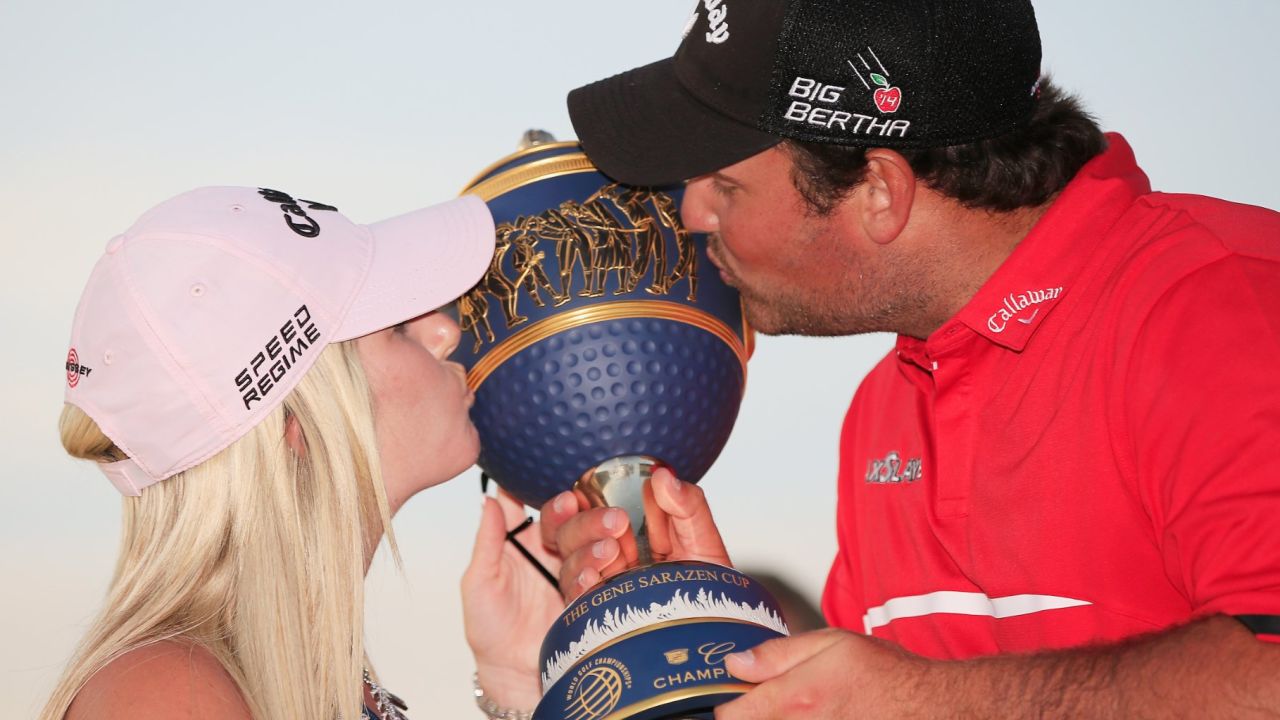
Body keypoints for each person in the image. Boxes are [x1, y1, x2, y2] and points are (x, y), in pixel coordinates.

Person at [535, 0, 1280, 716]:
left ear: (881, 193)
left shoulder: (1223, 301)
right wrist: (722, 637)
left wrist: (926, 704)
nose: (693, 214)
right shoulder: (887, 405)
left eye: (724, 184)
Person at [40, 185, 562, 720]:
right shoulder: (170, 697)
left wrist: (522, 684)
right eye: (399, 328)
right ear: (298, 427)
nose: (446, 331)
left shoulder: (272, 673)